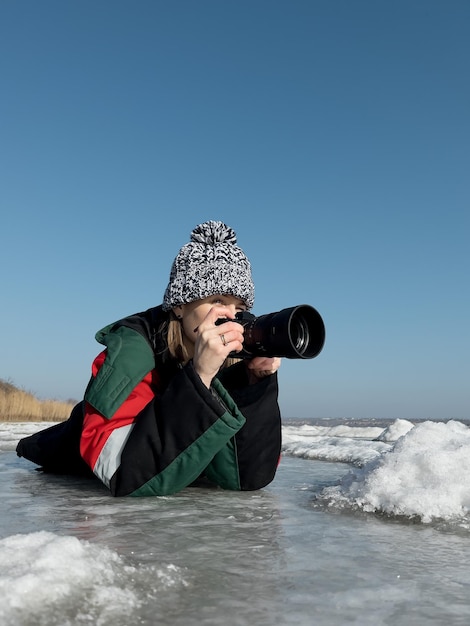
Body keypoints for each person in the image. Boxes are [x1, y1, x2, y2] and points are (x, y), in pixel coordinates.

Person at [17, 221, 282, 497]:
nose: (230, 316)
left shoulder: (230, 360)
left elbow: (246, 477)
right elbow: (123, 474)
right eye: (217, 300)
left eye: (239, 306)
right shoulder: (131, 353)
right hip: (72, 450)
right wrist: (199, 376)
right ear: (180, 305)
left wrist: (255, 386)